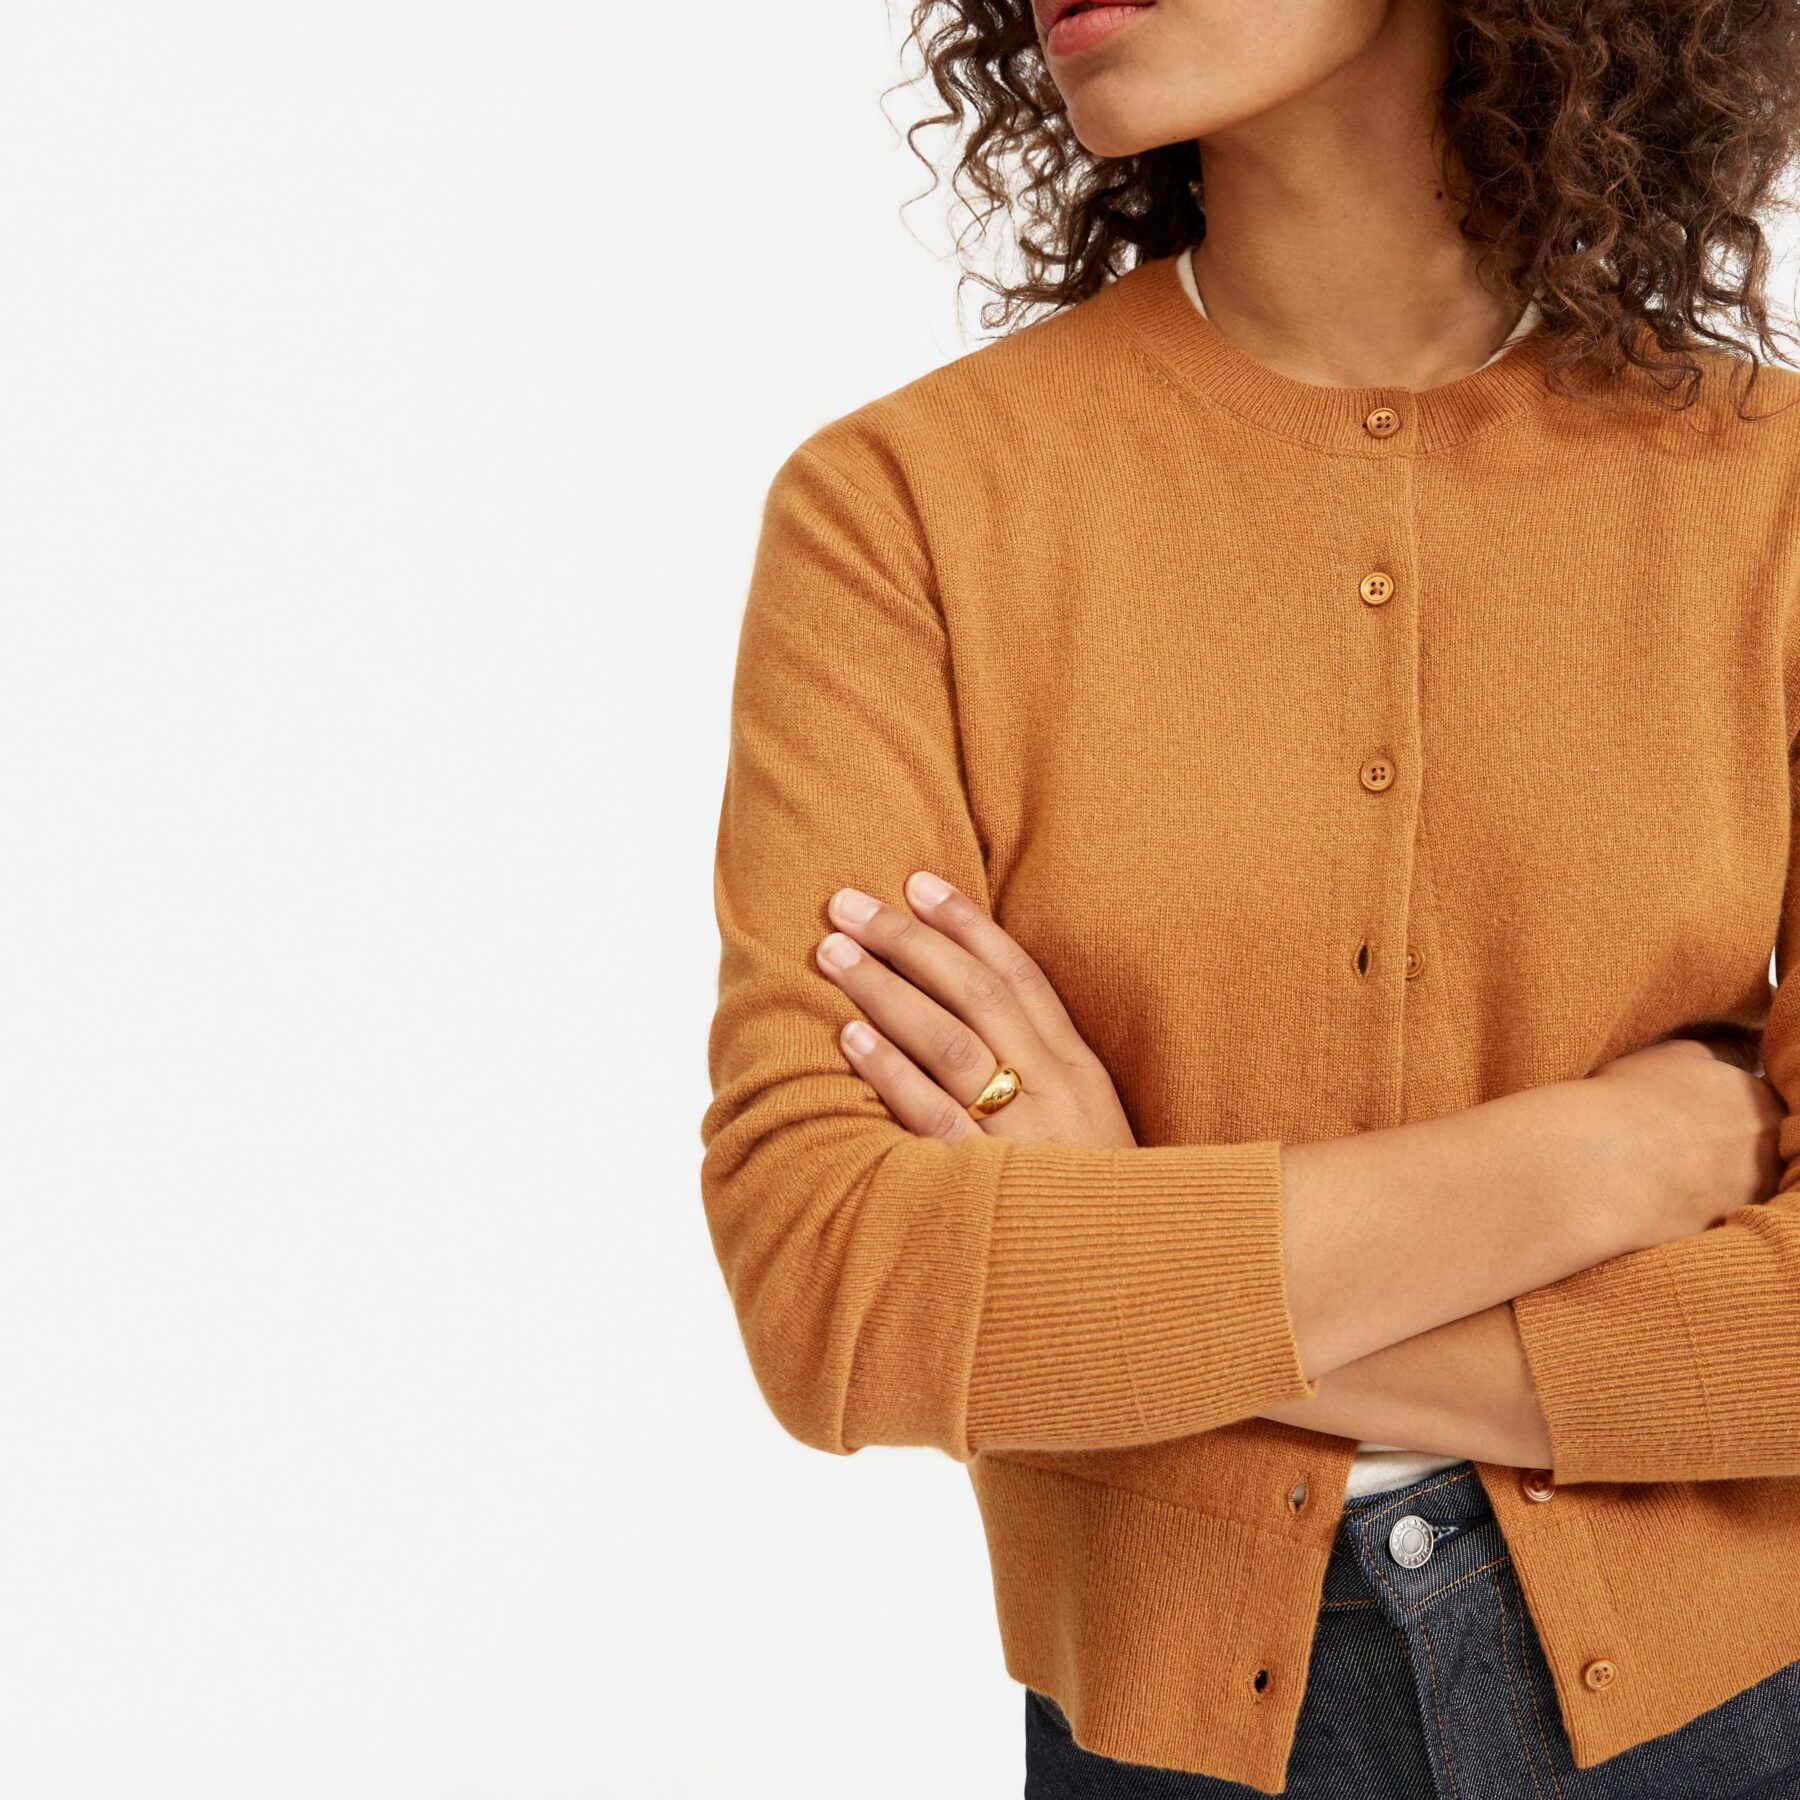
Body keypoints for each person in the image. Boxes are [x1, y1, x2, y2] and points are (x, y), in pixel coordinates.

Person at [700, 2, 1800, 1793]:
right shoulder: (905, 510)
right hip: (1168, 1752)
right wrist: (1610, 1159)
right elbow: (833, 1287)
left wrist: (1122, 1257)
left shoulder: (1774, 493)